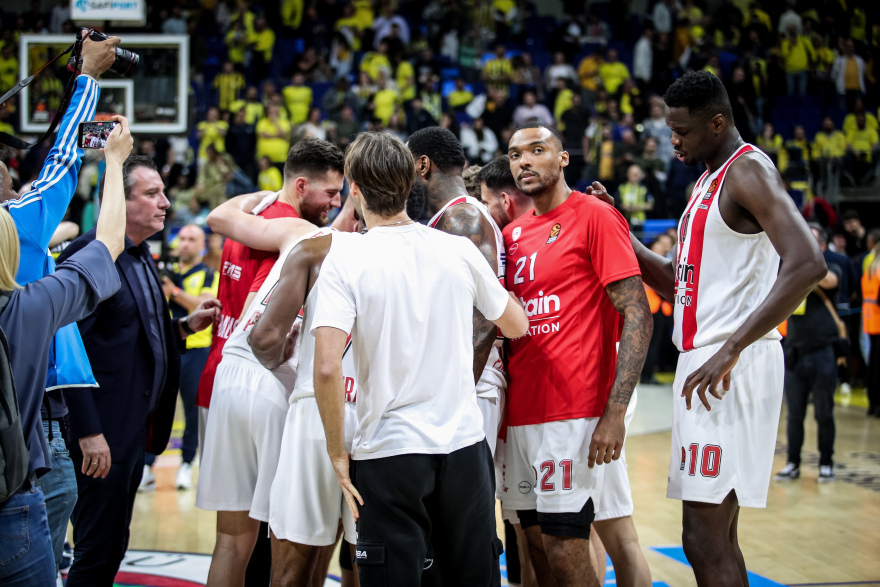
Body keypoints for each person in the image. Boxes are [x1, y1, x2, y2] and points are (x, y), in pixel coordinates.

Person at [626, 70, 826, 586]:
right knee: (713, 540)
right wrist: (622, 233)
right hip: (708, 360)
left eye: (683, 131)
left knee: (704, 538)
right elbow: (678, 284)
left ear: (717, 123)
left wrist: (734, 346)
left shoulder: (747, 171)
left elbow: (807, 262)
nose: (673, 140)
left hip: (730, 363)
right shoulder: (705, 184)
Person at [308, 131, 528, 586]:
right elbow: (516, 325)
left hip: (391, 451)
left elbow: (328, 365)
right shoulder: (458, 249)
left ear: (355, 189)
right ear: (411, 181)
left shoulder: (347, 257)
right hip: (465, 448)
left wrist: (336, 452)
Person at [57, 156, 221, 587]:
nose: (166, 203)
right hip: (102, 433)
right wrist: (87, 431)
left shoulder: (143, 253)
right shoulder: (90, 255)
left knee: (114, 542)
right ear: (118, 201)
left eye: (163, 192)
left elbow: (136, 334)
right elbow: (65, 346)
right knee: (95, 547)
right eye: (152, 194)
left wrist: (185, 326)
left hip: (133, 428)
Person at [502, 122, 652, 587]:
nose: (523, 161)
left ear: (563, 158)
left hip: (575, 413)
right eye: (514, 155)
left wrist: (615, 412)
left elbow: (638, 315)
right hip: (519, 414)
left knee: (569, 550)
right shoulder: (511, 236)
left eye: (537, 150)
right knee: (536, 553)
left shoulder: (595, 217)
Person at [195, 138, 344, 586]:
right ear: (301, 186)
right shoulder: (298, 233)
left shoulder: (249, 218)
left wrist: (263, 195)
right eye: (330, 194)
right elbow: (271, 329)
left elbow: (216, 215)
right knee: (284, 535)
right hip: (266, 377)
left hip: (220, 378)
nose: (335, 205)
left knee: (232, 539)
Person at [0, 31, 120, 578]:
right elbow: (62, 167)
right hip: (20, 450)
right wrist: (88, 80)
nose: (12, 174)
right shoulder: (24, 295)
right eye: (5, 169)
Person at [407, 126, 506, 458]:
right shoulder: (448, 217)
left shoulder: (461, 219)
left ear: (422, 166)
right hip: (459, 384)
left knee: (463, 507)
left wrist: (459, 393)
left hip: (468, 388)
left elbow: (485, 319)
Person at [141, 225, 218, 490]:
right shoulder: (160, 269)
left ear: (202, 245)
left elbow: (204, 306)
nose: (184, 244)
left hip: (196, 350)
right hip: (162, 347)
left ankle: (186, 464)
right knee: (152, 406)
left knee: (191, 411)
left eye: (191, 239)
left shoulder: (209, 273)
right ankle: (146, 466)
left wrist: (173, 291)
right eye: (181, 239)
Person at [776, 226, 843, 483]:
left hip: (823, 352)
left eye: (810, 241)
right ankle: (793, 462)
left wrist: (803, 266)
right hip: (795, 353)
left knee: (824, 412)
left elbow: (829, 281)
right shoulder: (789, 272)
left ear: (822, 247)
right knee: (794, 414)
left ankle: (827, 462)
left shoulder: (831, 268)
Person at [863, 231, 880, 417]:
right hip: (878, 320)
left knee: (873, 364)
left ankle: (872, 404)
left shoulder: (870, 264)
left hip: (869, 320)